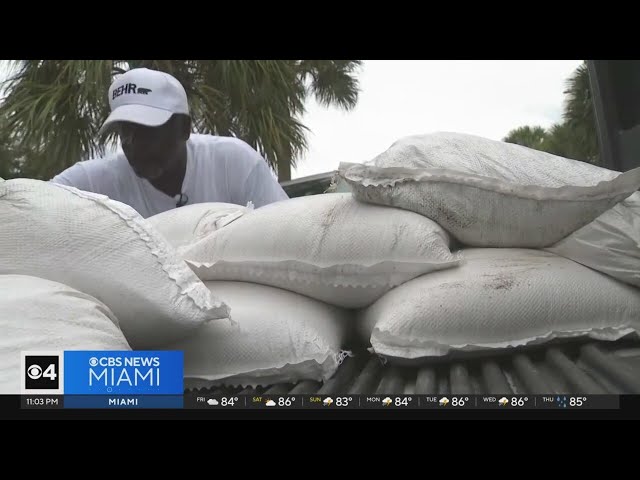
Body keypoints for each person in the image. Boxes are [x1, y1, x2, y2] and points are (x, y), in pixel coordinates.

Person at [51, 68, 289, 218]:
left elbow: (284, 227)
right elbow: (34, 201)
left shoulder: (234, 162)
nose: (132, 143)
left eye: (146, 129)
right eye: (125, 130)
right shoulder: (96, 181)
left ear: (184, 128)